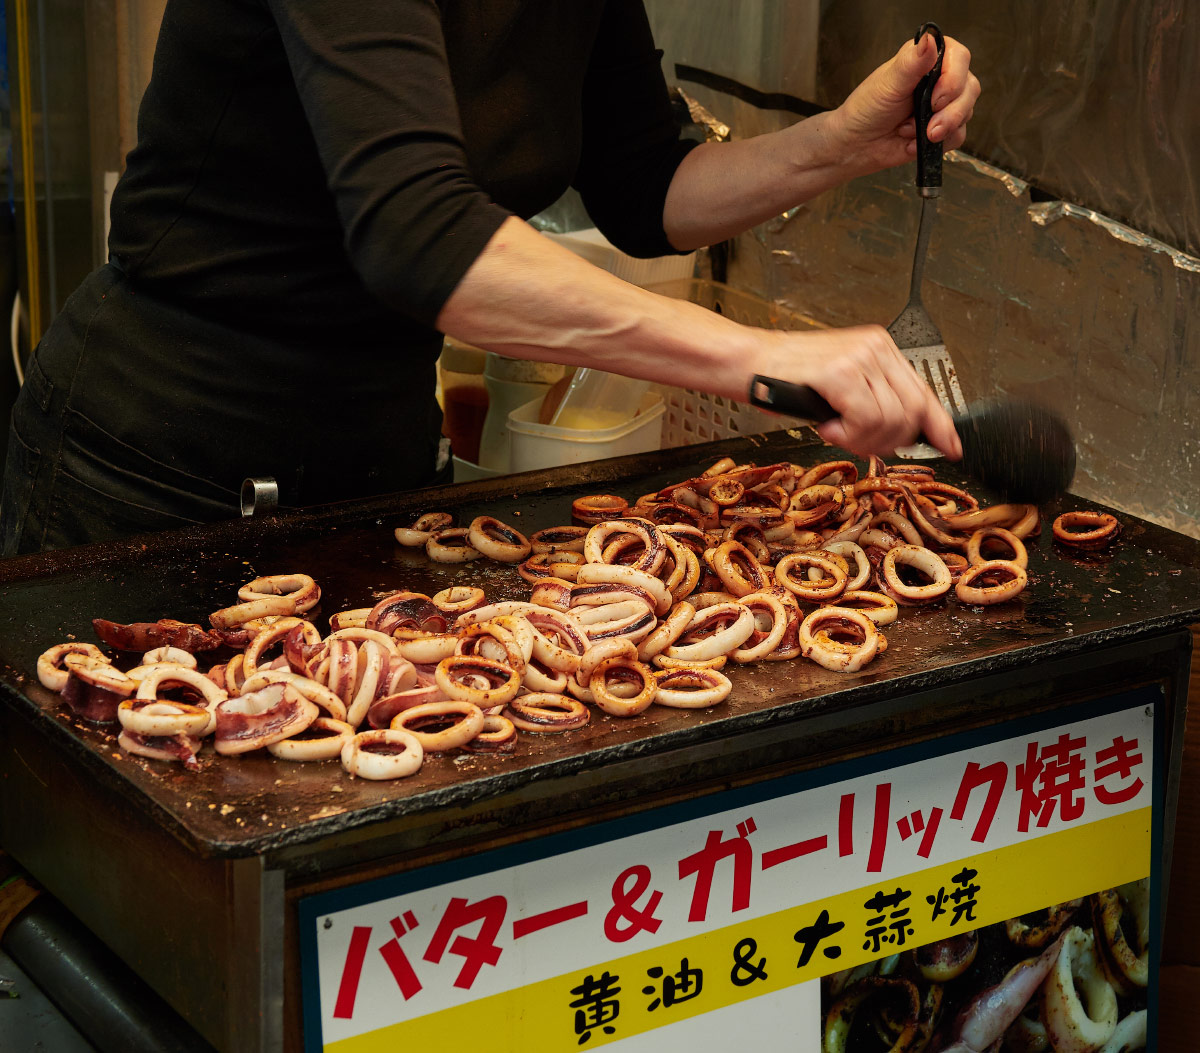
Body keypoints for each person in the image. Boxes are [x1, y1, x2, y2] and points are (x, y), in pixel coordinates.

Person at [0, 1, 979, 555]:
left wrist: (842, 143)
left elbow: (646, 186)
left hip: (374, 452)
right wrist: (766, 363)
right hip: (158, 468)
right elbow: (417, 235)